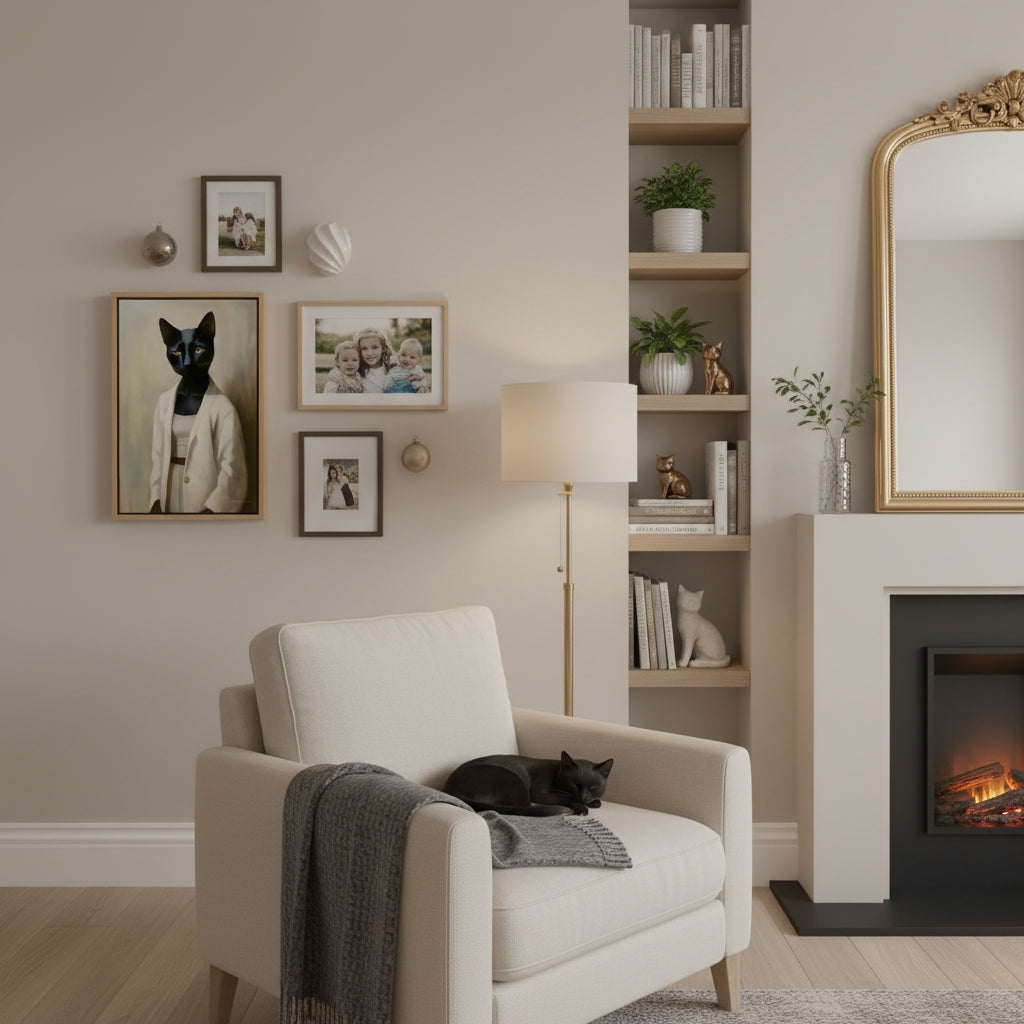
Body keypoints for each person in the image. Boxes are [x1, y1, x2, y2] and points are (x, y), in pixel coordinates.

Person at [149, 311, 247, 514]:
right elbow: (157, 458)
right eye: (177, 353)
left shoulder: (223, 408)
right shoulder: (164, 402)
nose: (186, 361)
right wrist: (156, 500)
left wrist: (212, 509)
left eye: (197, 350)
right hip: (169, 492)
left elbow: (233, 470)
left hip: (204, 495)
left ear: (211, 347)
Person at [355, 327, 394, 393]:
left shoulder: (393, 369)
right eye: (364, 348)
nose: (369, 353)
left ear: (383, 348)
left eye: (375, 347)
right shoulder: (356, 371)